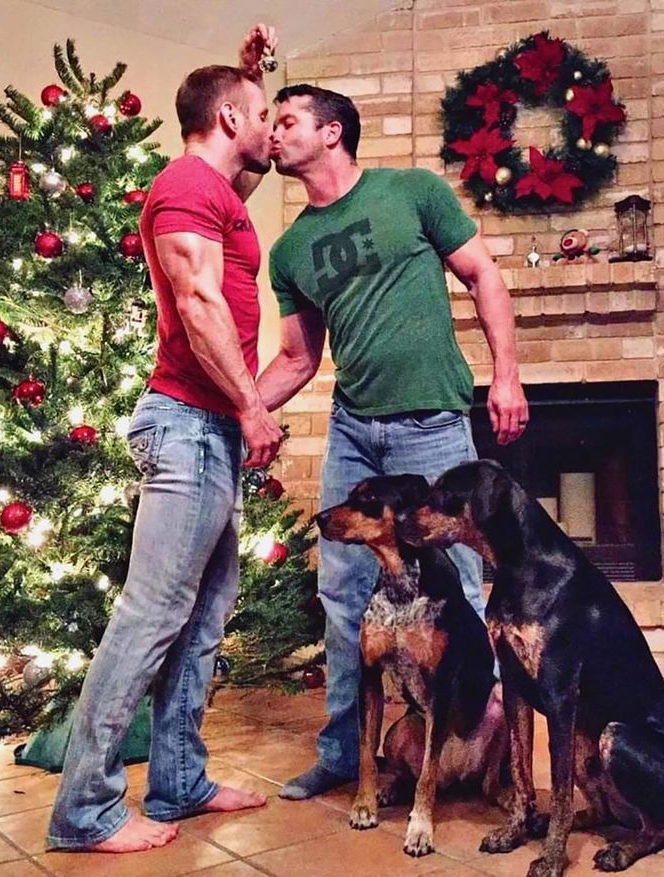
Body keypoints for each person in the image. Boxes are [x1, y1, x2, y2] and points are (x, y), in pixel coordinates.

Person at [256, 84, 529, 800]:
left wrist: (505, 377)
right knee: (343, 591)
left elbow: (483, 277)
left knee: (457, 590)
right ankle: (349, 753)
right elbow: (295, 359)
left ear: (332, 131)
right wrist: (238, 410)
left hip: (433, 424)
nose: (274, 133)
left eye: (286, 121)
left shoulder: (411, 192)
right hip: (355, 429)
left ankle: (487, 746)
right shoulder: (288, 250)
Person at [46, 25, 282, 853]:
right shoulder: (184, 185)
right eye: (261, 112)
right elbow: (197, 301)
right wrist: (253, 407)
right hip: (189, 423)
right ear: (225, 117)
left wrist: (253, 73)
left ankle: (177, 777)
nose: (273, 124)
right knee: (149, 617)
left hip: (210, 426)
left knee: (203, 617)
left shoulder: (213, 188)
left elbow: (244, 169)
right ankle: (85, 809)